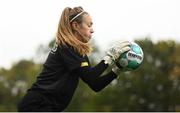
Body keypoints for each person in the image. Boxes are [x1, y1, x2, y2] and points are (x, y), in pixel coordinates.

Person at [17, 6, 131, 112]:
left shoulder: (77, 51)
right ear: (75, 26)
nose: (92, 30)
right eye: (89, 25)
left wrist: (117, 70)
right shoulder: (66, 46)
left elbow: (94, 84)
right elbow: (90, 76)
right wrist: (110, 56)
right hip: (36, 105)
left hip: (45, 106)